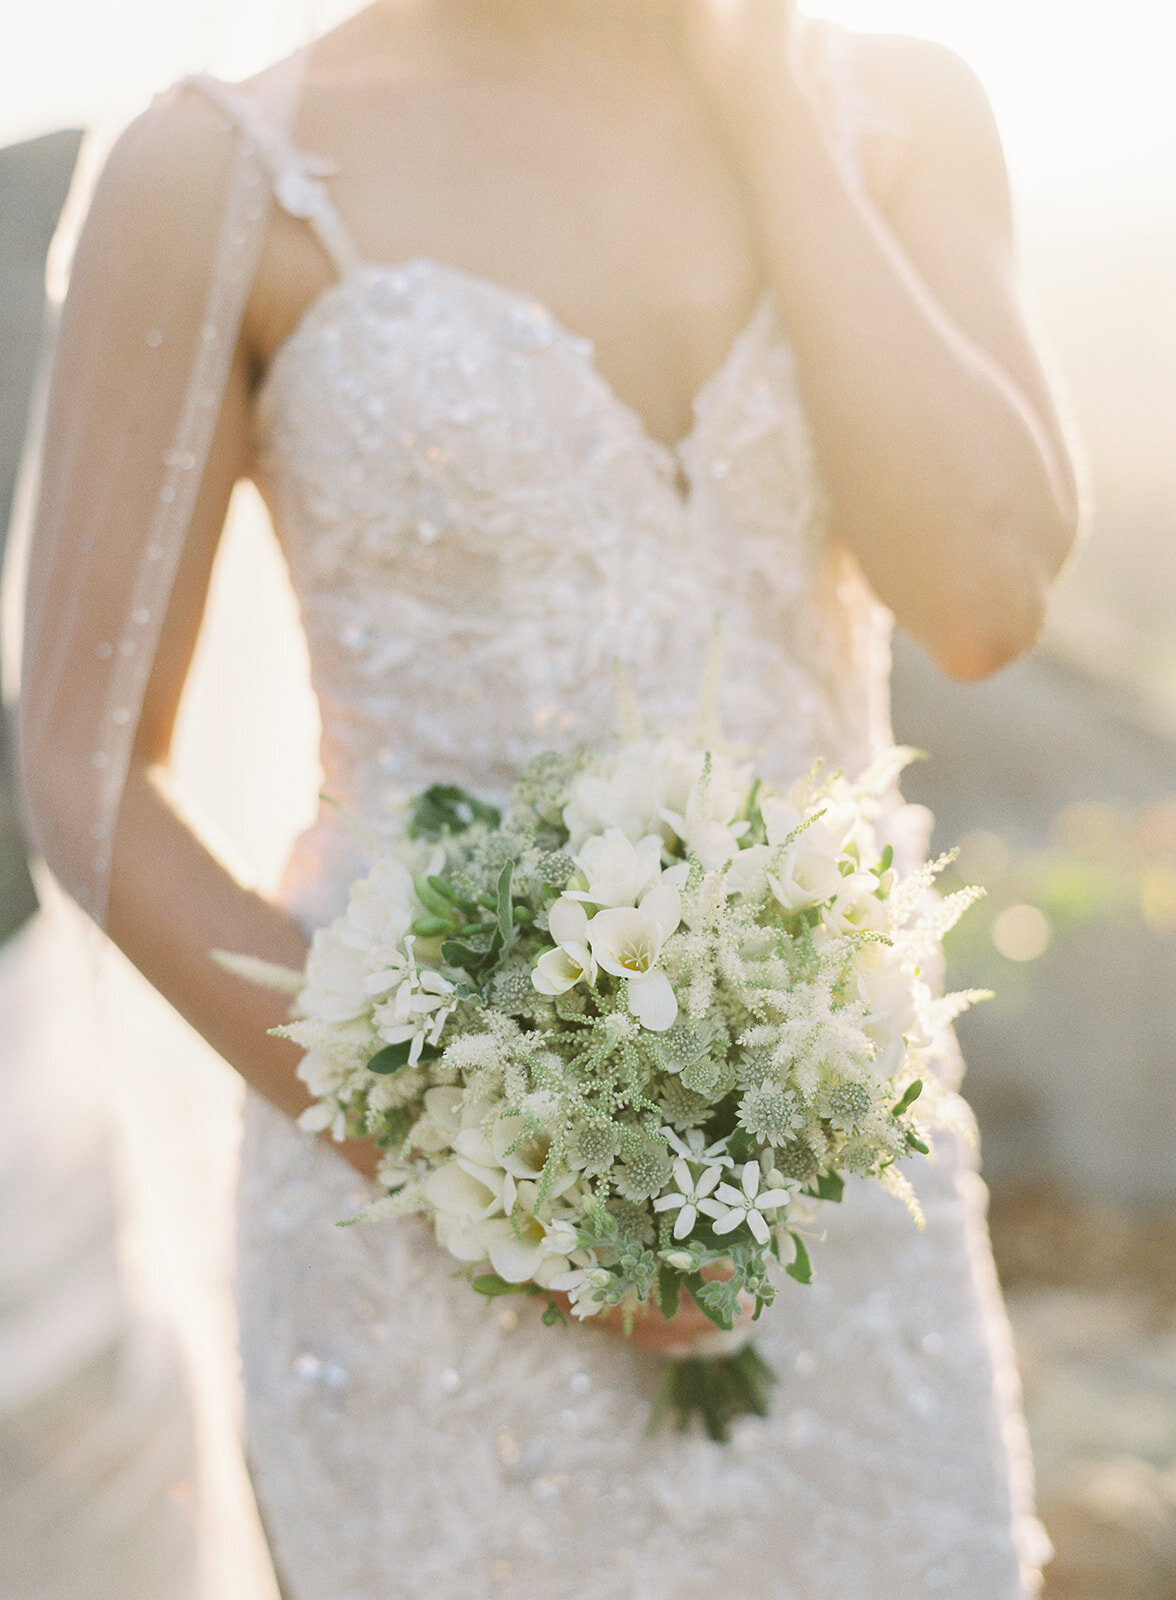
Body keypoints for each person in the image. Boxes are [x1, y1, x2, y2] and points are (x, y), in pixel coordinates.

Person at [15, 0, 1080, 1594]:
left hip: (836, 1198)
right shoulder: (222, 169)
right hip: (427, 1231)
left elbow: (983, 598)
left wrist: (767, 107)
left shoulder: (896, 115)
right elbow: (87, 780)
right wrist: (492, 1164)